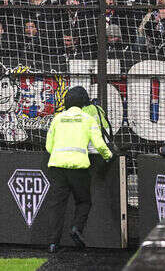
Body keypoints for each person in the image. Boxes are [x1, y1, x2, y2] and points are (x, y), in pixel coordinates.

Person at [42, 85, 112, 253]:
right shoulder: (88, 119)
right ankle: (76, 228)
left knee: (57, 206)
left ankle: (53, 243)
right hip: (79, 168)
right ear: (84, 101)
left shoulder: (57, 118)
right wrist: (109, 156)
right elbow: (100, 144)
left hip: (57, 167)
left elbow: (48, 146)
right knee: (84, 201)